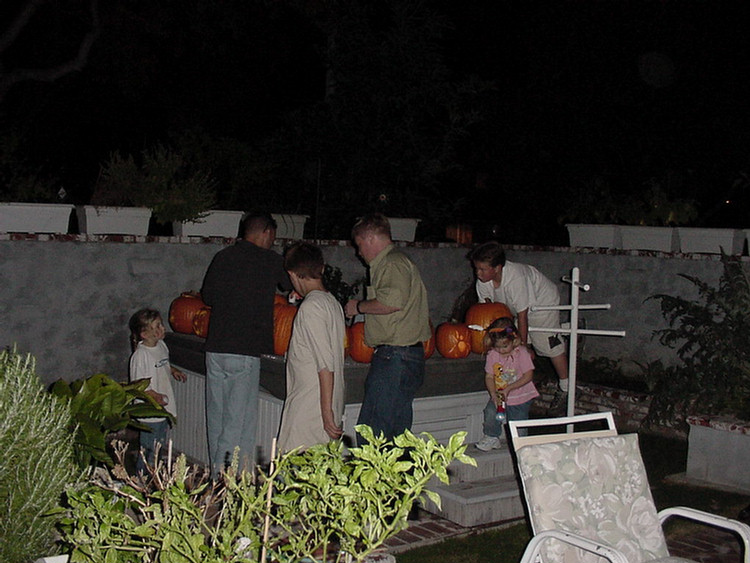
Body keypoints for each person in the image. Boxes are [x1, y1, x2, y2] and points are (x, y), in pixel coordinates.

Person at [201, 212, 292, 477]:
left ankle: (224, 475)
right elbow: (289, 284)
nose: (272, 242)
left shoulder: (223, 257)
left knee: (217, 420)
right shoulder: (269, 260)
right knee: (237, 423)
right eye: (272, 237)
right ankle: (222, 481)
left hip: (216, 348)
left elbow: (207, 296)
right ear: (265, 233)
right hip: (245, 350)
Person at [344, 213, 431, 443]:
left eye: (359, 244)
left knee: (372, 434)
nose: (358, 251)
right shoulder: (394, 263)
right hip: (403, 356)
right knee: (395, 436)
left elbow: (391, 302)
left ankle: (373, 478)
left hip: (395, 357)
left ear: (371, 238)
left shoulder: (392, 264)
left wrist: (358, 307)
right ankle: (398, 479)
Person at [467, 241, 569, 398]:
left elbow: (523, 315)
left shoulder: (516, 278)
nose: (478, 273)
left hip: (541, 303)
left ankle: (566, 387)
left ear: (497, 268)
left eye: (482, 269)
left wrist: (523, 345)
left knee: (545, 342)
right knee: (509, 342)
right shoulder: (483, 282)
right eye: (476, 269)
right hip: (515, 307)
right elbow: (488, 311)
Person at [277, 242, 346, 452]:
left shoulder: (311, 307)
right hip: (328, 402)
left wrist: (326, 414)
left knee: (293, 472)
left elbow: (325, 365)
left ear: (292, 274)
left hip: (310, 409)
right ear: (322, 269)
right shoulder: (332, 303)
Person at [128, 308, 186, 473]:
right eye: (157, 327)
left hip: (162, 410)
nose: (162, 329)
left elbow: (163, 364)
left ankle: (154, 476)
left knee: (159, 446)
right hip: (150, 412)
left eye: (161, 325)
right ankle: (142, 479)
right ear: (144, 334)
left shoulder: (161, 346)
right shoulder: (140, 356)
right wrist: (156, 397)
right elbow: (139, 386)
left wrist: (173, 371)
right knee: (149, 449)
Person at [476, 317, 538, 451]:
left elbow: (528, 376)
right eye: (498, 347)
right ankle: (492, 437)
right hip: (500, 395)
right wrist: (493, 393)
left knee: (517, 422)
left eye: (505, 346)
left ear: (513, 340)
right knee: (490, 412)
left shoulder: (521, 353)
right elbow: (489, 376)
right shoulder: (493, 354)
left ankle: (521, 446)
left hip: (520, 396)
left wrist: (509, 388)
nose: (502, 350)